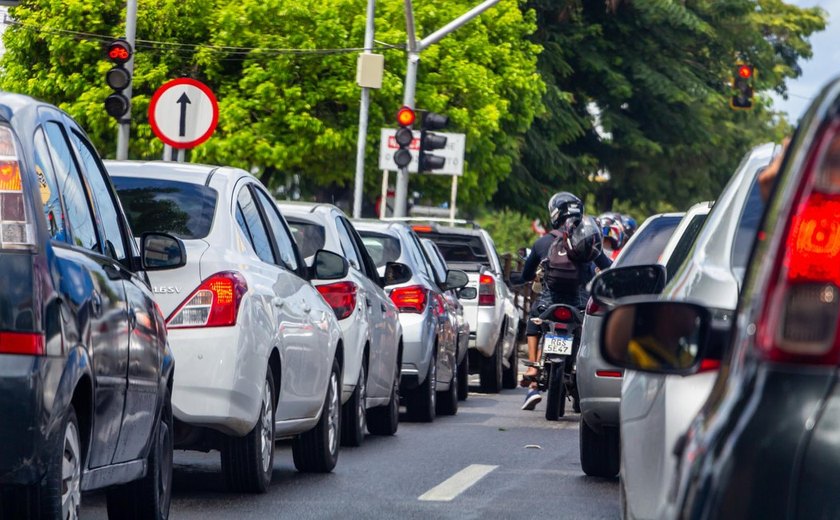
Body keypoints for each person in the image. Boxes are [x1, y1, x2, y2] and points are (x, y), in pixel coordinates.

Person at [511, 192, 613, 410]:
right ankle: (578, 369)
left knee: (534, 320)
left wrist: (516, 278)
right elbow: (609, 268)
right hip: (579, 302)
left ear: (555, 214)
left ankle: (532, 368)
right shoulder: (588, 240)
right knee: (587, 332)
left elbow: (527, 275)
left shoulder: (543, 242)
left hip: (549, 301)